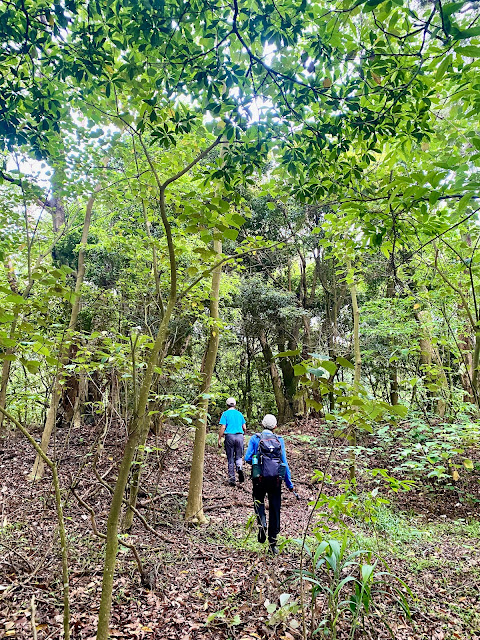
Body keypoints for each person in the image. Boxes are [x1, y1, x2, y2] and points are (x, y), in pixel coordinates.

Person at [244, 414, 295, 555]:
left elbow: (247, 458)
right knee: (274, 509)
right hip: (276, 481)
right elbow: (284, 463)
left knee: (258, 501)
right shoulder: (279, 440)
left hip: (259, 479)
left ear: (262, 424)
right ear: (275, 427)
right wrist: (289, 483)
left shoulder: (255, 438)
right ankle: (273, 543)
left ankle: (262, 523)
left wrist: (257, 461)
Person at [218, 397, 246, 486]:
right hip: (239, 436)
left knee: (230, 458)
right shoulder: (239, 414)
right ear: (235, 404)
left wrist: (220, 437)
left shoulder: (225, 414)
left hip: (229, 436)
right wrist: (243, 435)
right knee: (238, 457)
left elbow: (223, 427)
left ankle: (232, 479)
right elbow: (244, 427)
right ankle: (239, 468)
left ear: (227, 405)